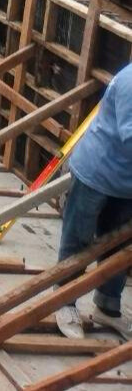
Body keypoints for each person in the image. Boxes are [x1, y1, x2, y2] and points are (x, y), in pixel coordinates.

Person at [57, 67, 132, 339]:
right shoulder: (130, 83)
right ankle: (64, 303)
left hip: (127, 184)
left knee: (118, 247)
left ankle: (107, 307)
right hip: (96, 173)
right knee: (78, 240)